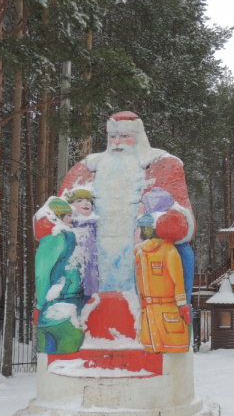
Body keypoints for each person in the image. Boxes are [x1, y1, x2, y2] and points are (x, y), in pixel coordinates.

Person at [58, 111, 195, 299]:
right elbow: (56, 213)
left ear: (138, 138)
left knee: (180, 252)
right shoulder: (86, 168)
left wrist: (166, 222)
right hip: (91, 265)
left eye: (124, 136)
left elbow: (182, 220)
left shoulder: (163, 164)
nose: (117, 143)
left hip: (145, 268)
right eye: (112, 137)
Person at [33, 198, 84, 354]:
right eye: (68, 215)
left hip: (66, 299)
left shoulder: (65, 236)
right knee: (66, 342)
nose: (72, 219)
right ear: (59, 216)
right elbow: (42, 272)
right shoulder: (54, 237)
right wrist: (40, 304)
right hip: (55, 303)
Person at [134, 213, 191, 353]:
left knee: (168, 345)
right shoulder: (140, 253)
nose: (143, 231)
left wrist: (182, 304)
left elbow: (178, 281)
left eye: (145, 228)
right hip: (148, 311)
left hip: (167, 309)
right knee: (150, 345)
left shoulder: (169, 251)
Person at [64, 187, 99, 299]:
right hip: (74, 282)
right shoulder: (69, 228)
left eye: (88, 200)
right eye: (79, 201)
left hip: (95, 280)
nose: (85, 203)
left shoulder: (96, 226)